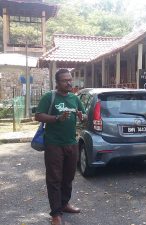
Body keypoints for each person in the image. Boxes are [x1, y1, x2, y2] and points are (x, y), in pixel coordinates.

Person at [35, 69, 86, 225]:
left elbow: (83, 115)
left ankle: (64, 204)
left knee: (68, 177)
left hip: (71, 143)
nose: (69, 82)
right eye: (65, 80)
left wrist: (81, 116)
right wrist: (57, 117)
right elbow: (38, 115)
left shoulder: (74, 98)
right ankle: (55, 213)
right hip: (54, 144)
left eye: (70, 79)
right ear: (57, 83)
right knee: (54, 179)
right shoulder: (49, 97)